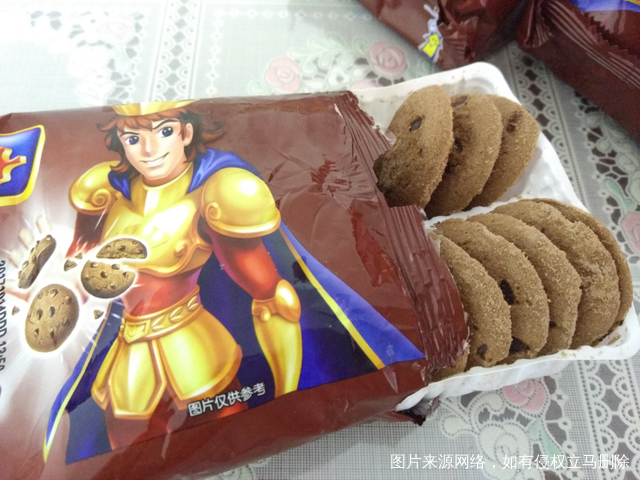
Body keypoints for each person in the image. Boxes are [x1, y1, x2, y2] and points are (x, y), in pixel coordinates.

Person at [45, 100, 424, 463]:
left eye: (164, 131)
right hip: (127, 350)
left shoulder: (219, 192)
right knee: (126, 452)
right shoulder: (106, 190)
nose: (148, 149)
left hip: (192, 342)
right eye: (133, 138)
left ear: (186, 133)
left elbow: (272, 297)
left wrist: (286, 390)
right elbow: (78, 264)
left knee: (227, 428)